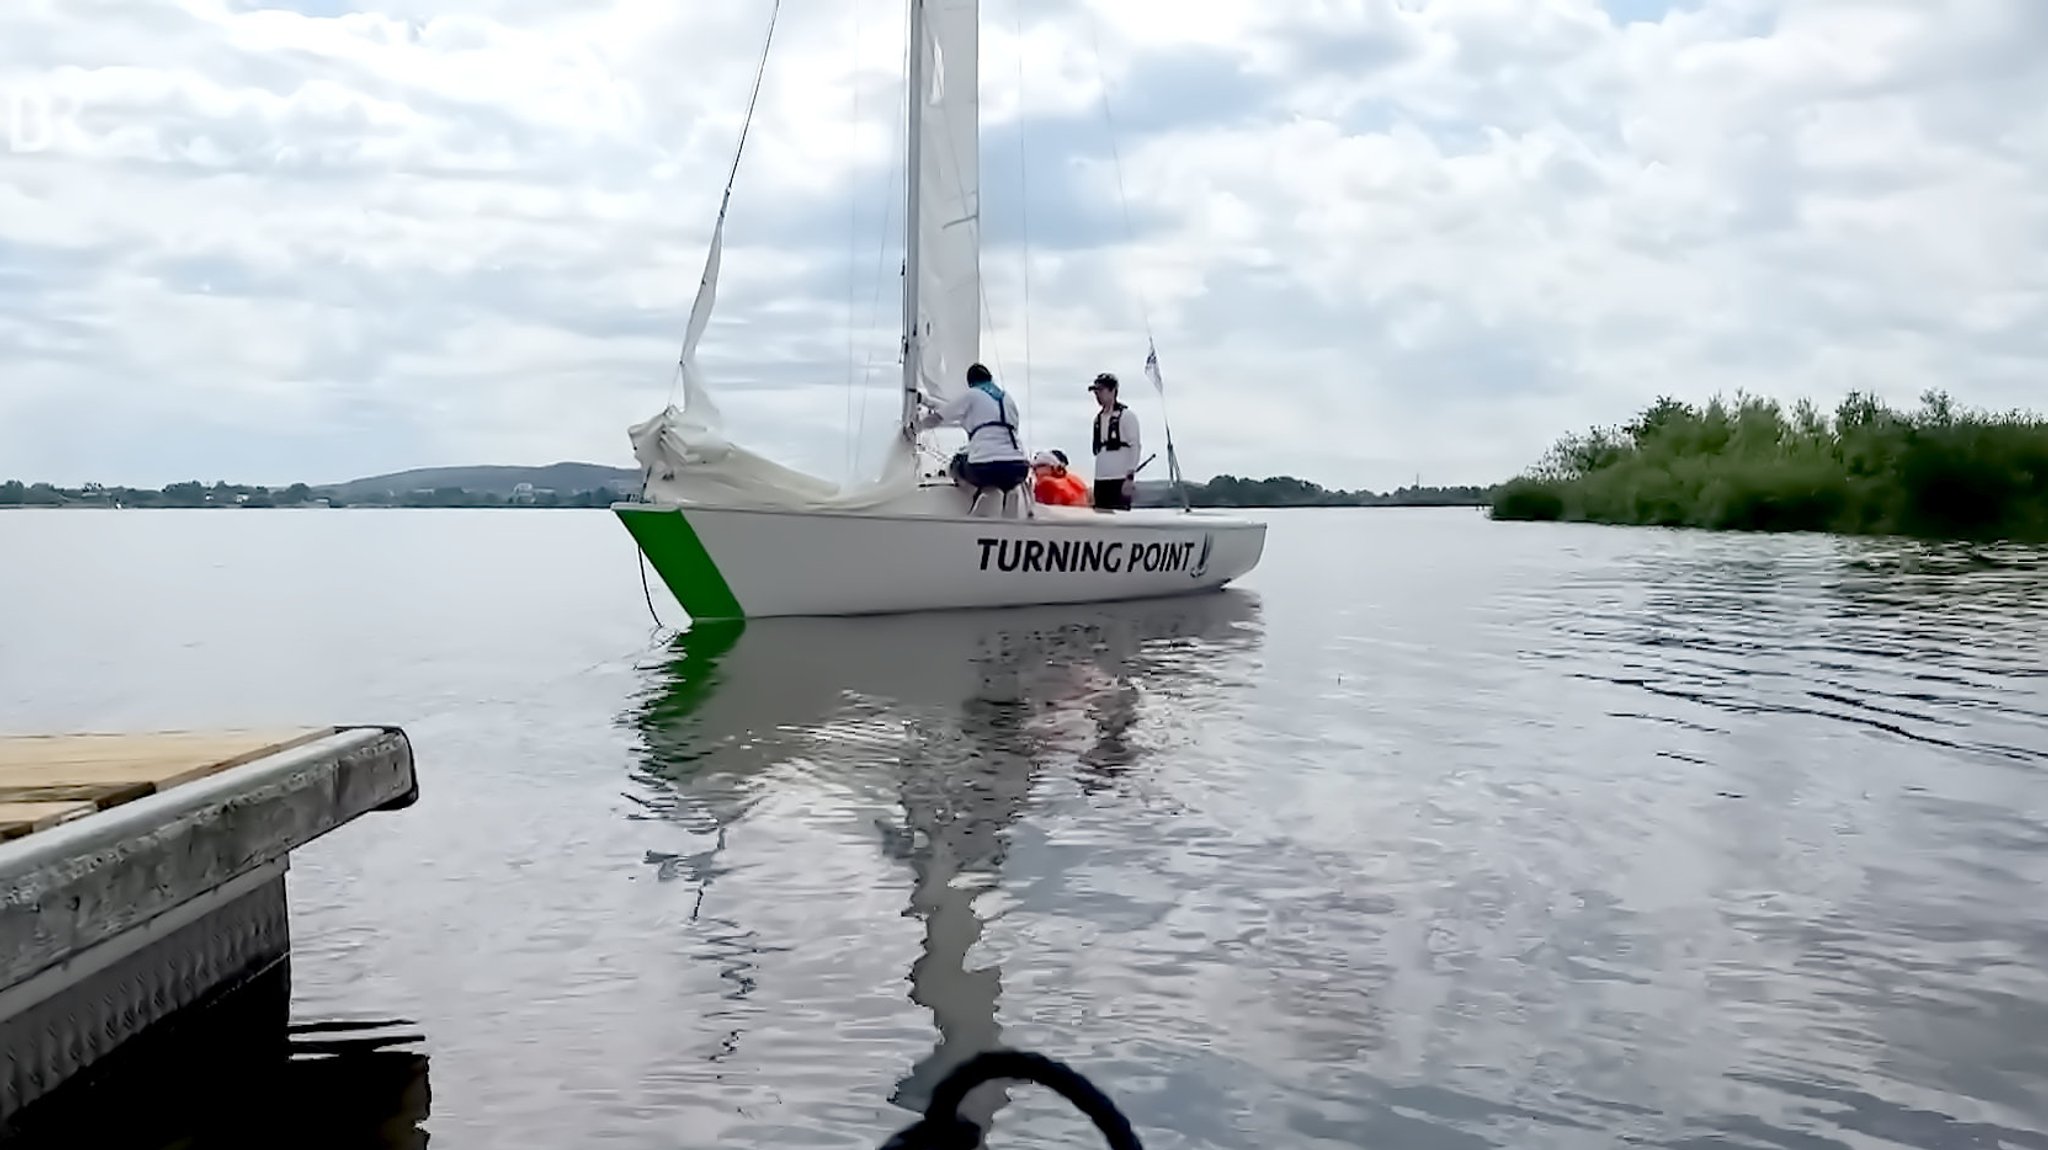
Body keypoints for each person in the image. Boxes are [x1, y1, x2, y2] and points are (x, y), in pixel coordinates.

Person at [921, 363, 1030, 517]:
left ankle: (986, 497)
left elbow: (939, 417)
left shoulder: (972, 394)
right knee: (1005, 475)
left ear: (970, 383)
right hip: (1018, 467)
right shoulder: (1007, 399)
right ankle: (1010, 494)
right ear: (990, 379)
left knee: (957, 464)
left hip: (985, 468)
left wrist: (915, 427)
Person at [1087, 372, 1141, 511]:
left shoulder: (1126, 416)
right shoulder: (1098, 420)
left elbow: (1135, 446)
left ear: (1112, 391)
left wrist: (1130, 476)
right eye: (1096, 392)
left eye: (1101, 391)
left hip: (1119, 477)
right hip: (1101, 478)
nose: (1098, 395)